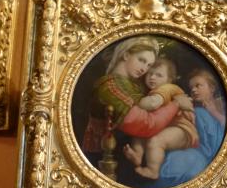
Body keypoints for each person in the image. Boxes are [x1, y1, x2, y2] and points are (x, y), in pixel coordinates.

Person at [82, 37, 193, 170]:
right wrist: (176, 104)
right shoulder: (110, 88)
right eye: (141, 60)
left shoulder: (135, 85)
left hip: (127, 158)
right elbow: (146, 125)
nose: (144, 69)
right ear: (126, 55)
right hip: (106, 161)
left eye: (148, 65)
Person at [124, 58, 199, 179]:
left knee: (155, 140)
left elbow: (152, 104)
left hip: (182, 130)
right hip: (163, 127)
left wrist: (135, 103)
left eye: (159, 75)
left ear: (169, 80)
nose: (152, 77)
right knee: (139, 134)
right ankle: (137, 155)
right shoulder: (153, 91)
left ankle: (153, 170)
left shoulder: (167, 88)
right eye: (150, 73)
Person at [153, 68, 227, 188]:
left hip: (213, 154)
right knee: (174, 160)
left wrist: (213, 112)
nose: (193, 90)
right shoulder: (193, 109)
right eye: (191, 87)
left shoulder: (222, 104)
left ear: (212, 88)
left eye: (198, 86)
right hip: (195, 150)